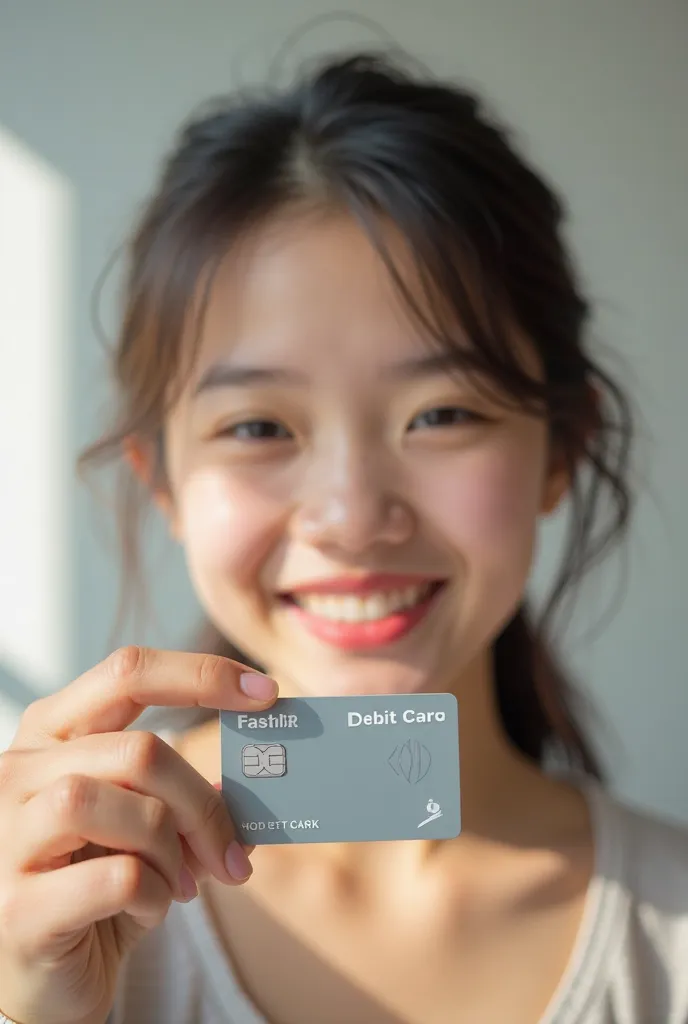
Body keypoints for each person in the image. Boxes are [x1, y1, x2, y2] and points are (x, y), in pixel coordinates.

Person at [0, 50, 687, 1024]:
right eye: (259, 427)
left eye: (442, 413)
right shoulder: (42, 920)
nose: (353, 515)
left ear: (558, 452)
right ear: (165, 485)